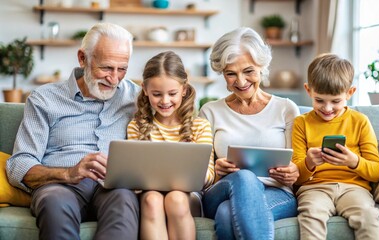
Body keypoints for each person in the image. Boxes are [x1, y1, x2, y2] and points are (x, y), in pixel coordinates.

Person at [6, 22, 140, 239]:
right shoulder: (45, 98)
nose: (114, 79)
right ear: (82, 58)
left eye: (122, 69)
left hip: (113, 188)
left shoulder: (137, 98)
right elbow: (19, 164)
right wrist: (68, 173)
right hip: (60, 185)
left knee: (124, 200)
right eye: (106, 68)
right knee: (54, 201)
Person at [199, 27, 300, 240]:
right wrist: (217, 170)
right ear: (222, 74)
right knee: (244, 177)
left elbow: (297, 163)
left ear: (262, 66)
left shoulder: (286, 109)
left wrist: (293, 171)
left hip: (276, 192)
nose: (241, 82)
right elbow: (201, 176)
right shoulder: (209, 111)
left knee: (226, 215)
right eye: (230, 74)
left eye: (248, 71)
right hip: (222, 190)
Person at [292, 53, 379, 239]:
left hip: (354, 188)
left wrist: (354, 162)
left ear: (350, 93)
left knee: (369, 216)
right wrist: (309, 162)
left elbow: (376, 171)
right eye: (319, 100)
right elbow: (296, 178)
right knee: (311, 216)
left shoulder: (360, 122)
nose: (327, 108)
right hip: (314, 189)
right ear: (308, 90)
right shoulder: (301, 123)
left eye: (335, 101)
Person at [126, 51, 215, 240]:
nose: (165, 101)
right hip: (150, 195)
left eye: (172, 93)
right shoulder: (137, 126)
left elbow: (208, 176)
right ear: (145, 90)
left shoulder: (200, 126)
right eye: (157, 94)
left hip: (188, 197)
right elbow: (133, 177)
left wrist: (179, 180)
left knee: (175, 198)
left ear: (184, 89)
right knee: (152, 199)